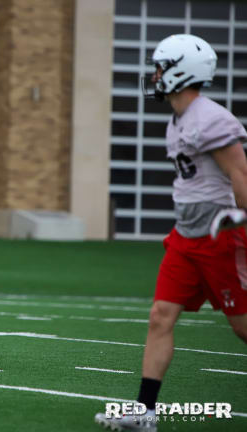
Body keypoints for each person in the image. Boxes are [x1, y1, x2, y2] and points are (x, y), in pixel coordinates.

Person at [95, 34, 247, 431]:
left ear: (183, 70)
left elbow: (240, 172)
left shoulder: (210, 118)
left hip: (220, 236)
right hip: (186, 237)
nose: (156, 75)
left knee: (242, 327)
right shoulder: (178, 119)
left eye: (161, 67)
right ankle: (144, 412)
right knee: (160, 316)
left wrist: (240, 215)